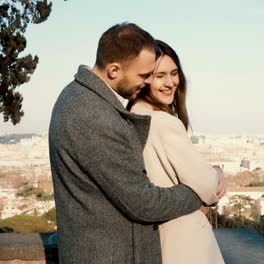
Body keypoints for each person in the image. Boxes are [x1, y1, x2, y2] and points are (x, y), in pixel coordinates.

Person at [49, 23, 214, 263]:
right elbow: (142, 202)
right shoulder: (94, 115)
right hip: (110, 255)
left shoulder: (78, 97)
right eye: (144, 75)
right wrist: (196, 196)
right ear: (114, 70)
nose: (147, 82)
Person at [129, 40, 225, 264]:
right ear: (144, 78)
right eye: (159, 75)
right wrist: (218, 173)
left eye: (174, 73)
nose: (170, 82)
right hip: (186, 240)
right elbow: (209, 185)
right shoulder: (164, 123)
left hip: (158, 239)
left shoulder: (135, 116)